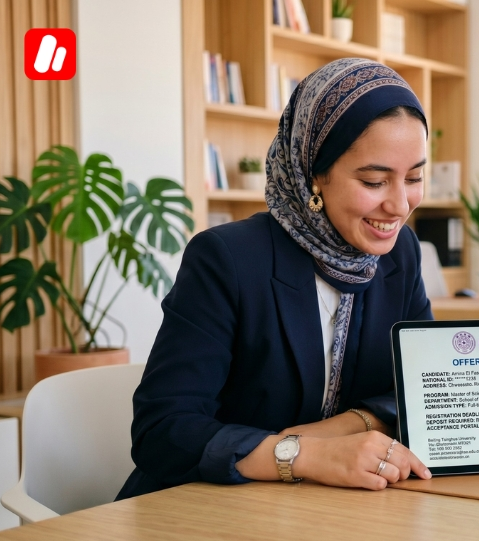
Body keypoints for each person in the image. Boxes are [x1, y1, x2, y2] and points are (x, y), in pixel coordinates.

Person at [118, 58, 434, 499]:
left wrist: (344, 427)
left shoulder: (401, 255)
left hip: (331, 511)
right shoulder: (227, 259)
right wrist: (307, 454)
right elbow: (164, 431)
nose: (400, 205)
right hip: (207, 507)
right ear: (314, 174)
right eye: (375, 181)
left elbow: (424, 388)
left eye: (415, 177)